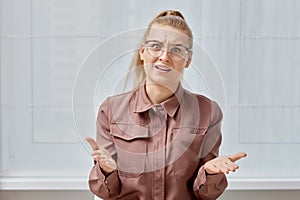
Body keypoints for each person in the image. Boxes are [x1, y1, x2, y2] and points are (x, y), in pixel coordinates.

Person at [86, 10, 247, 200]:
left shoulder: (208, 112)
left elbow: (205, 194)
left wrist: (210, 173)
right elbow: (106, 192)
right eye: (156, 46)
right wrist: (106, 172)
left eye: (177, 49)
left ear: (188, 60)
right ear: (143, 52)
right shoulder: (111, 110)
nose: (164, 56)